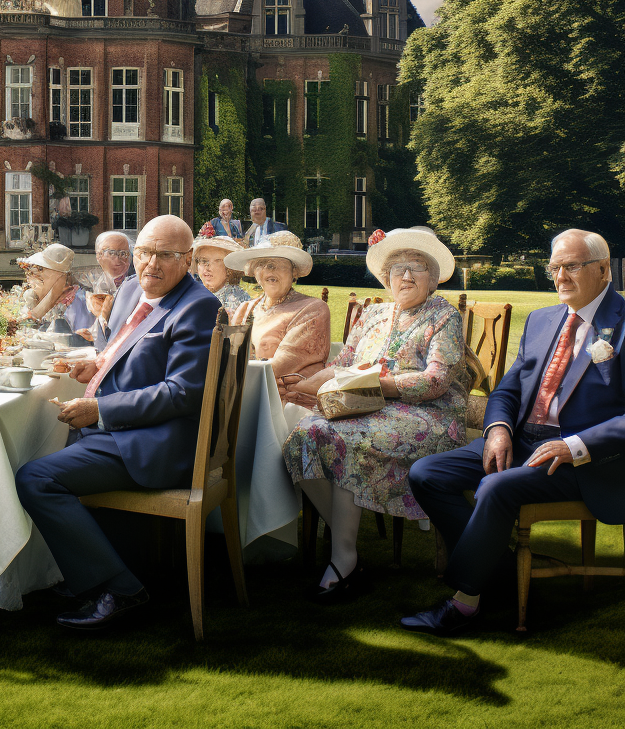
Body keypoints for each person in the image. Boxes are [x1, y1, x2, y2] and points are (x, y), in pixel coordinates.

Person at [402, 228, 625, 636]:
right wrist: (499, 430)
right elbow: (508, 387)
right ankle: (497, 569)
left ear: (603, 269)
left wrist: (576, 445)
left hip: (584, 459)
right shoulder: (543, 320)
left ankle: (465, 605)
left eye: (571, 266)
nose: (560, 276)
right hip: (522, 441)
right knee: (427, 473)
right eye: (554, 267)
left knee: (496, 488)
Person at [15, 216, 220, 629]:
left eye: (166, 255)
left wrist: (101, 411)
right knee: (29, 443)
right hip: (119, 430)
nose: (151, 265)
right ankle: (91, 569)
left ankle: (119, 586)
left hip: (155, 443)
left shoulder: (199, 306)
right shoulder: (129, 290)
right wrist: (95, 364)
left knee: (35, 478)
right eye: (144, 253)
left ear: (189, 260)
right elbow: (120, 352)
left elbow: (181, 392)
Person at [282, 227, 467, 600]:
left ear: (432, 278)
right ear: (386, 278)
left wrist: (381, 384)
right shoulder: (372, 314)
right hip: (363, 407)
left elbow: (437, 380)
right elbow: (343, 363)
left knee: (346, 439)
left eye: (417, 267)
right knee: (301, 436)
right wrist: (302, 385)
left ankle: (343, 559)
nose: (407, 276)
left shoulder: (443, 314)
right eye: (398, 269)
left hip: (426, 413)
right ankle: (346, 544)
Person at [226, 231, 330, 409]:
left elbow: (278, 367)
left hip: (289, 409)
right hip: (245, 397)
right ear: (255, 271)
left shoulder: (313, 309)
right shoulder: (245, 309)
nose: (269, 270)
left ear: (294, 271)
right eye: (263, 264)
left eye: (277, 264)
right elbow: (228, 358)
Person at [67, 231, 134, 338]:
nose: (119, 259)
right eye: (112, 253)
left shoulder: (136, 286)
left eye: (123, 253)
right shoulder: (87, 283)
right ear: (99, 256)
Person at [18, 243, 79, 324]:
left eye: (41, 269)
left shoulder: (72, 302)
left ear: (58, 275)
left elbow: (35, 319)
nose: (38, 274)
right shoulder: (44, 290)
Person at [192, 234, 250, 315]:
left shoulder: (236, 300)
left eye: (217, 261)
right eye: (204, 261)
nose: (208, 267)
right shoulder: (192, 293)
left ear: (230, 269)